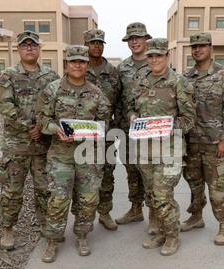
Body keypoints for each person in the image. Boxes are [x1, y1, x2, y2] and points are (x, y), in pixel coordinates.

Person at [35, 45, 111, 263]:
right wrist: (54, 129)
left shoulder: (96, 93)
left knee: (88, 199)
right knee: (58, 200)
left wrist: (96, 129)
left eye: (82, 61)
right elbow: (42, 119)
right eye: (73, 61)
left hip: (88, 155)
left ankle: (82, 235)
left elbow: (105, 121)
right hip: (61, 156)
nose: (77, 65)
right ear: (66, 64)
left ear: (87, 65)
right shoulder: (53, 90)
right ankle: (53, 240)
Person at [128, 38, 195, 256]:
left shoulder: (179, 82)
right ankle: (162, 232)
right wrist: (133, 117)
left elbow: (188, 119)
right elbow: (131, 107)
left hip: (169, 150)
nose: (155, 59)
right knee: (152, 194)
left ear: (167, 56)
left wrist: (165, 126)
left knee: (162, 193)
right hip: (145, 150)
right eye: (151, 55)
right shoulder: (140, 80)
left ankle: (173, 236)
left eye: (159, 55)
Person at [0, 30, 60, 251]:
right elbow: (5, 106)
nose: (29, 48)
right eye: (24, 45)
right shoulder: (8, 76)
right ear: (18, 49)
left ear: (40, 49)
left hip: (43, 146)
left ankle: (45, 225)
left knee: (45, 190)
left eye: (33, 45)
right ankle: (8, 229)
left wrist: (43, 127)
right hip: (17, 147)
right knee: (12, 191)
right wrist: (28, 126)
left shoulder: (51, 77)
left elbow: (57, 106)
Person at [181, 32, 224, 246]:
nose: (197, 50)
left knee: (219, 188)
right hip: (192, 143)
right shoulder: (186, 78)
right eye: (194, 46)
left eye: (202, 46)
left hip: (215, 144)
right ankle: (196, 217)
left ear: (210, 48)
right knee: (194, 185)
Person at [115, 22, 157, 235]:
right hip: (127, 128)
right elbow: (118, 98)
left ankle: (154, 215)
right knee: (132, 170)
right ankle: (135, 208)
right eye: (131, 38)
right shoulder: (122, 68)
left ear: (146, 39)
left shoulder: (155, 62)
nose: (135, 41)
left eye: (138, 37)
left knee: (149, 173)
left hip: (150, 131)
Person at [83, 28, 120, 231]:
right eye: (92, 42)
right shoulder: (78, 67)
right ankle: (84, 217)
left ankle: (105, 213)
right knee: (85, 176)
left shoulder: (113, 72)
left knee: (107, 174)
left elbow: (120, 101)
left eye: (99, 43)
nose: (96, 46)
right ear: (86, 45)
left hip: (107, 133)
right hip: (84, 135)